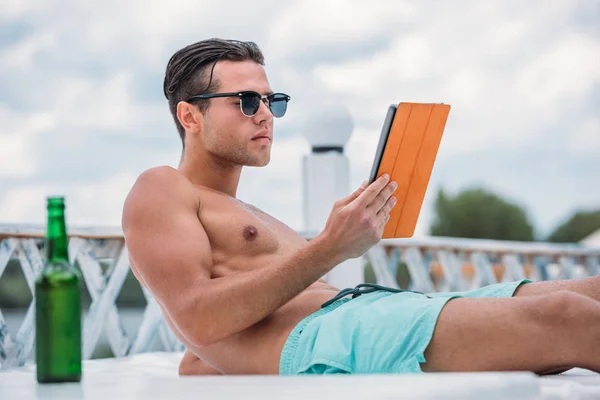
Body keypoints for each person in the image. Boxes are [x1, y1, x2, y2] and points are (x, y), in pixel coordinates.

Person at [121, 38, 600, 377]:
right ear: (190, 115)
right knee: (566, 316)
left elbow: (205, 340)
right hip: (337, 337)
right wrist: (330, 247)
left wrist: (216, 357)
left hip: (373, 312)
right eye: (246, 101)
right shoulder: (161, 187)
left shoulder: (238, 209)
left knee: (591, 291)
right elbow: (197, 318)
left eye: (273, 101)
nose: (266, 114)